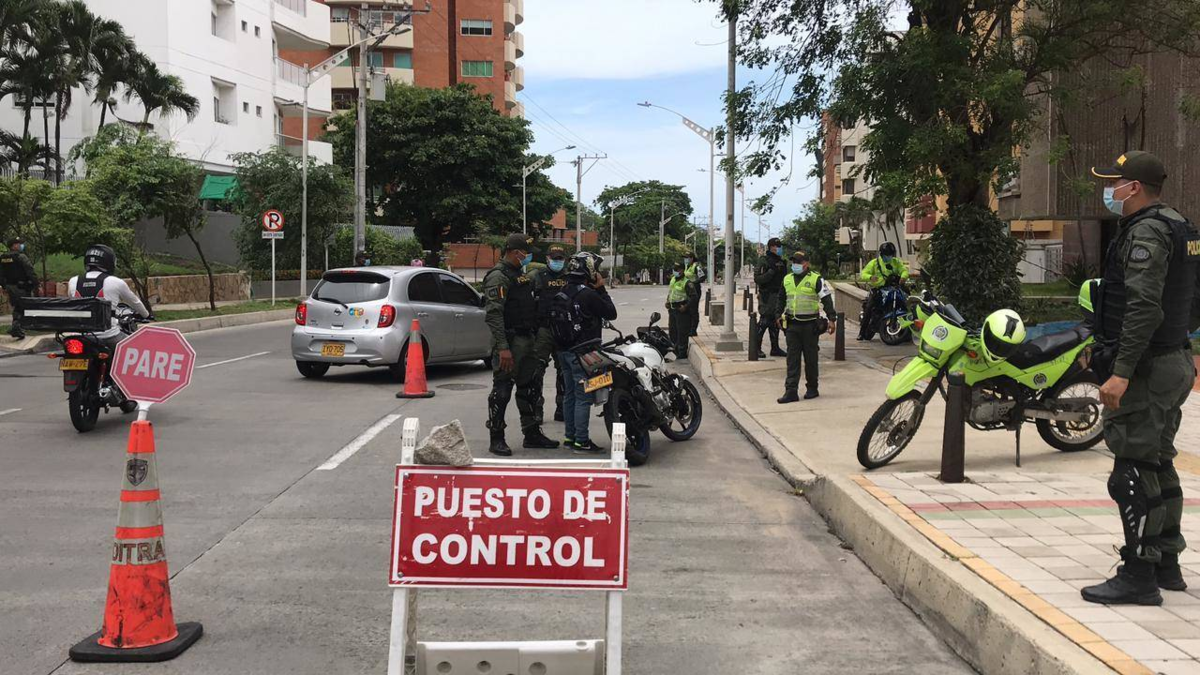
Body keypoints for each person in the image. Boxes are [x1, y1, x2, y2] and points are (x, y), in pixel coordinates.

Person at [1081, 151, 1200, 606]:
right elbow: (1193, 297)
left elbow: (1144, 306)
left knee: (1130, 471)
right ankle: (1167, 563)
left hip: (1147, 368)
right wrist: (1179, 341)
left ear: (1134, 187)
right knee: (1158, 462)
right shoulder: (1181, 226)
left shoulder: (1147, 231)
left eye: (1114, 182)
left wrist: (1123, 373)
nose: (1108, 190)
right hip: (1172, 360)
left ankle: (1139, 573)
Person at [482, 233, 560, 457]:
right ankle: (496, 437)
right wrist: (503, 348)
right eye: (525, 252)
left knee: (530, 387)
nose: (528, 256)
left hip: (528, 340)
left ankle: (532, 433)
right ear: (515, 253)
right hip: (510, 342)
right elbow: (494, 315)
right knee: (503, 389)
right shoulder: (498, 276)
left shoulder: (519, 275)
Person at [552, 252, 617, 453]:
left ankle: (570, 438)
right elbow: (611, 313)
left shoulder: (563, 290)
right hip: (582, 352)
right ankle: (582, 440)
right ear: (589, 270)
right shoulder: (587, 294)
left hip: (563, 350)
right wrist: (602, 288)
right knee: (583, 397)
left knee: (570, 395)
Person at [775, 251, 837, 403]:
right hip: (792, 325)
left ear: (806, 264)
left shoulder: (816, 279)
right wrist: (778, 315)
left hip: (810, 325)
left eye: (798, 262)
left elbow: (826, 299)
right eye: (793, 262)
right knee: (792, 360)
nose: (795, 265)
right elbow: (781, 298)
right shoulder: (787, 279)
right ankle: (791, 392)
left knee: (811, 359)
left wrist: (831, 318)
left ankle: (812, 388)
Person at [67, 244, 150, 350]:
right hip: (108, 336)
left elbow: (71, 300)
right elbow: (135, 302)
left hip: (80, 336)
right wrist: (146, 315)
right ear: (109, 262)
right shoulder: (116, 282)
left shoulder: (73, 281)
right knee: (136, 348)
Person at [532, 245, 569, 423]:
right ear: (547, 258)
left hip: (563, 329)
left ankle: (562, 407)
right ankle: (536, 408)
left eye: (560, 258)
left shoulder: (569, 277)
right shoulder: (538, 276)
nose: (557, 262)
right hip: (544, 329)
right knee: (537, 369)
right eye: (555, 258)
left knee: (563, 370)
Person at [857, 241, 909, 341]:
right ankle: (861, 333)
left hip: (893, 288)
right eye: (887, 255)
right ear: (882, 254)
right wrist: (870, 277)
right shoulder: (874, 263)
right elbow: (863, 274)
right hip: (878, 290)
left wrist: (903, 277)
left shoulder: (896, 262)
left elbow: (904, 270)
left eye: (890, 255)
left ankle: (905, 332)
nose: (889, 257)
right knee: (869, 309)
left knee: (904, 303)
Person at [753, 237, 788, 358]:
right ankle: (756, 347)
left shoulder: (782, 261)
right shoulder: (764, 260)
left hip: (779, 294)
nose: (779, 249)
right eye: (777, 247)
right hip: (767, 295)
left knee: (775, 321)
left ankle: (775, 348)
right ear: (772, 247)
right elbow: (758, 279)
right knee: (765, 320)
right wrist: (771, 272)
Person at [1, 237, 38, 340]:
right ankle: (17, 327)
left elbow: (1, 273)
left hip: (10, 286)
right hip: (21, 286)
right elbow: (30, 271)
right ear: (13, 246)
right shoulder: (21, 257)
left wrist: (4, 286)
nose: (21, 245)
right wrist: (36, 283)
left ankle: (17, 327)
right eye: (18, 244)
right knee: (22, 306)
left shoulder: (3, 257)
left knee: (17, 306)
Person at [665, 261, 694, 359]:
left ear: (682, 270)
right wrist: (667, 301)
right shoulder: (673, 279)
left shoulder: (687, 282)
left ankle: (682, 353)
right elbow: (671, 291)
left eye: (677, 270)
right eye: (674, 269)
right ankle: (676, 349)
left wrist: (685, 306)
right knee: (672, 331)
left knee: (682, 332)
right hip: (672, 309)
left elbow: (693, 297)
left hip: (682, 310)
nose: (675, 271)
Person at [683, 254, 705, 336]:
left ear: (692, 258)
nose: (686, 259)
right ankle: (688, 328)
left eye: (687, 258)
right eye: (685, 258)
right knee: (687, 310)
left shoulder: (696, 266)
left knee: (693, 310)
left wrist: (693, 283)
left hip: (695, 290)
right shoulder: (687, 266)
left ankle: (693, 330)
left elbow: (702, 277)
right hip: (687, 290)